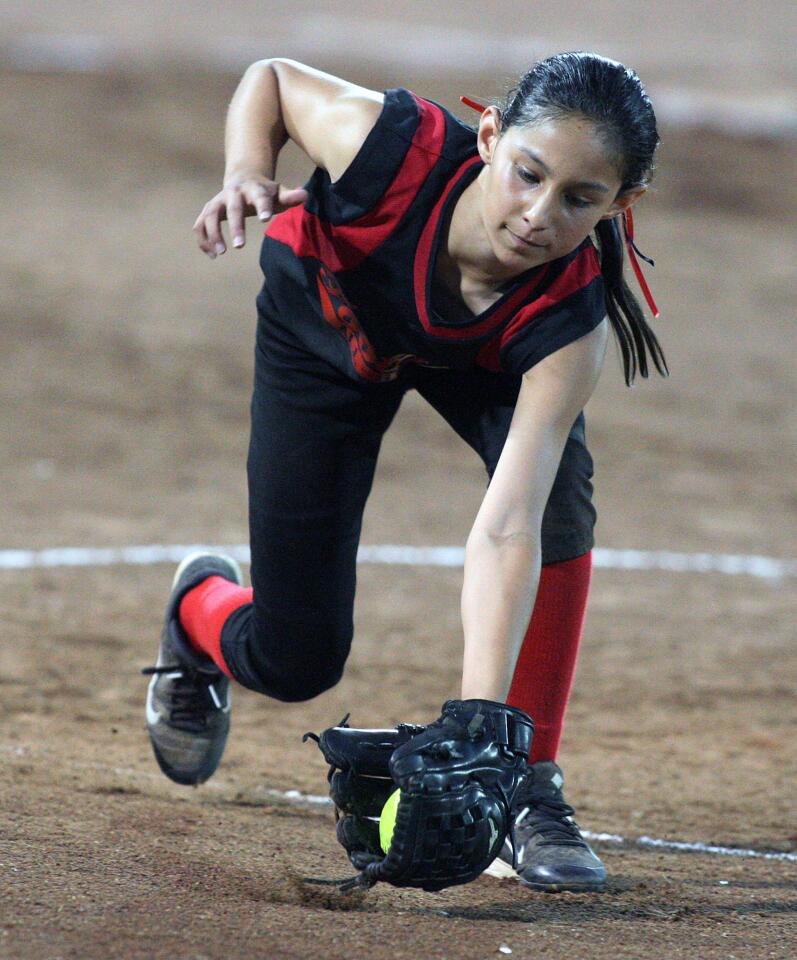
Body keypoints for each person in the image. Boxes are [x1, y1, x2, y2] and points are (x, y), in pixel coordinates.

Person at [143, 51, 668, 893]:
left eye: (580, 198)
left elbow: (508, 525)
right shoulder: (392, 152)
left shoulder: (567, 319)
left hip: (483, 357)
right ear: (490, 137)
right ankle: (196, 611)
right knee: (296, 659)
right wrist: (247, 170)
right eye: (527, 173)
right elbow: (271, 80)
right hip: (325, 326)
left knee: (558, 501)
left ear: (621, 203)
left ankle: (529, 788)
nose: (538, 215)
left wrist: (480, 732)